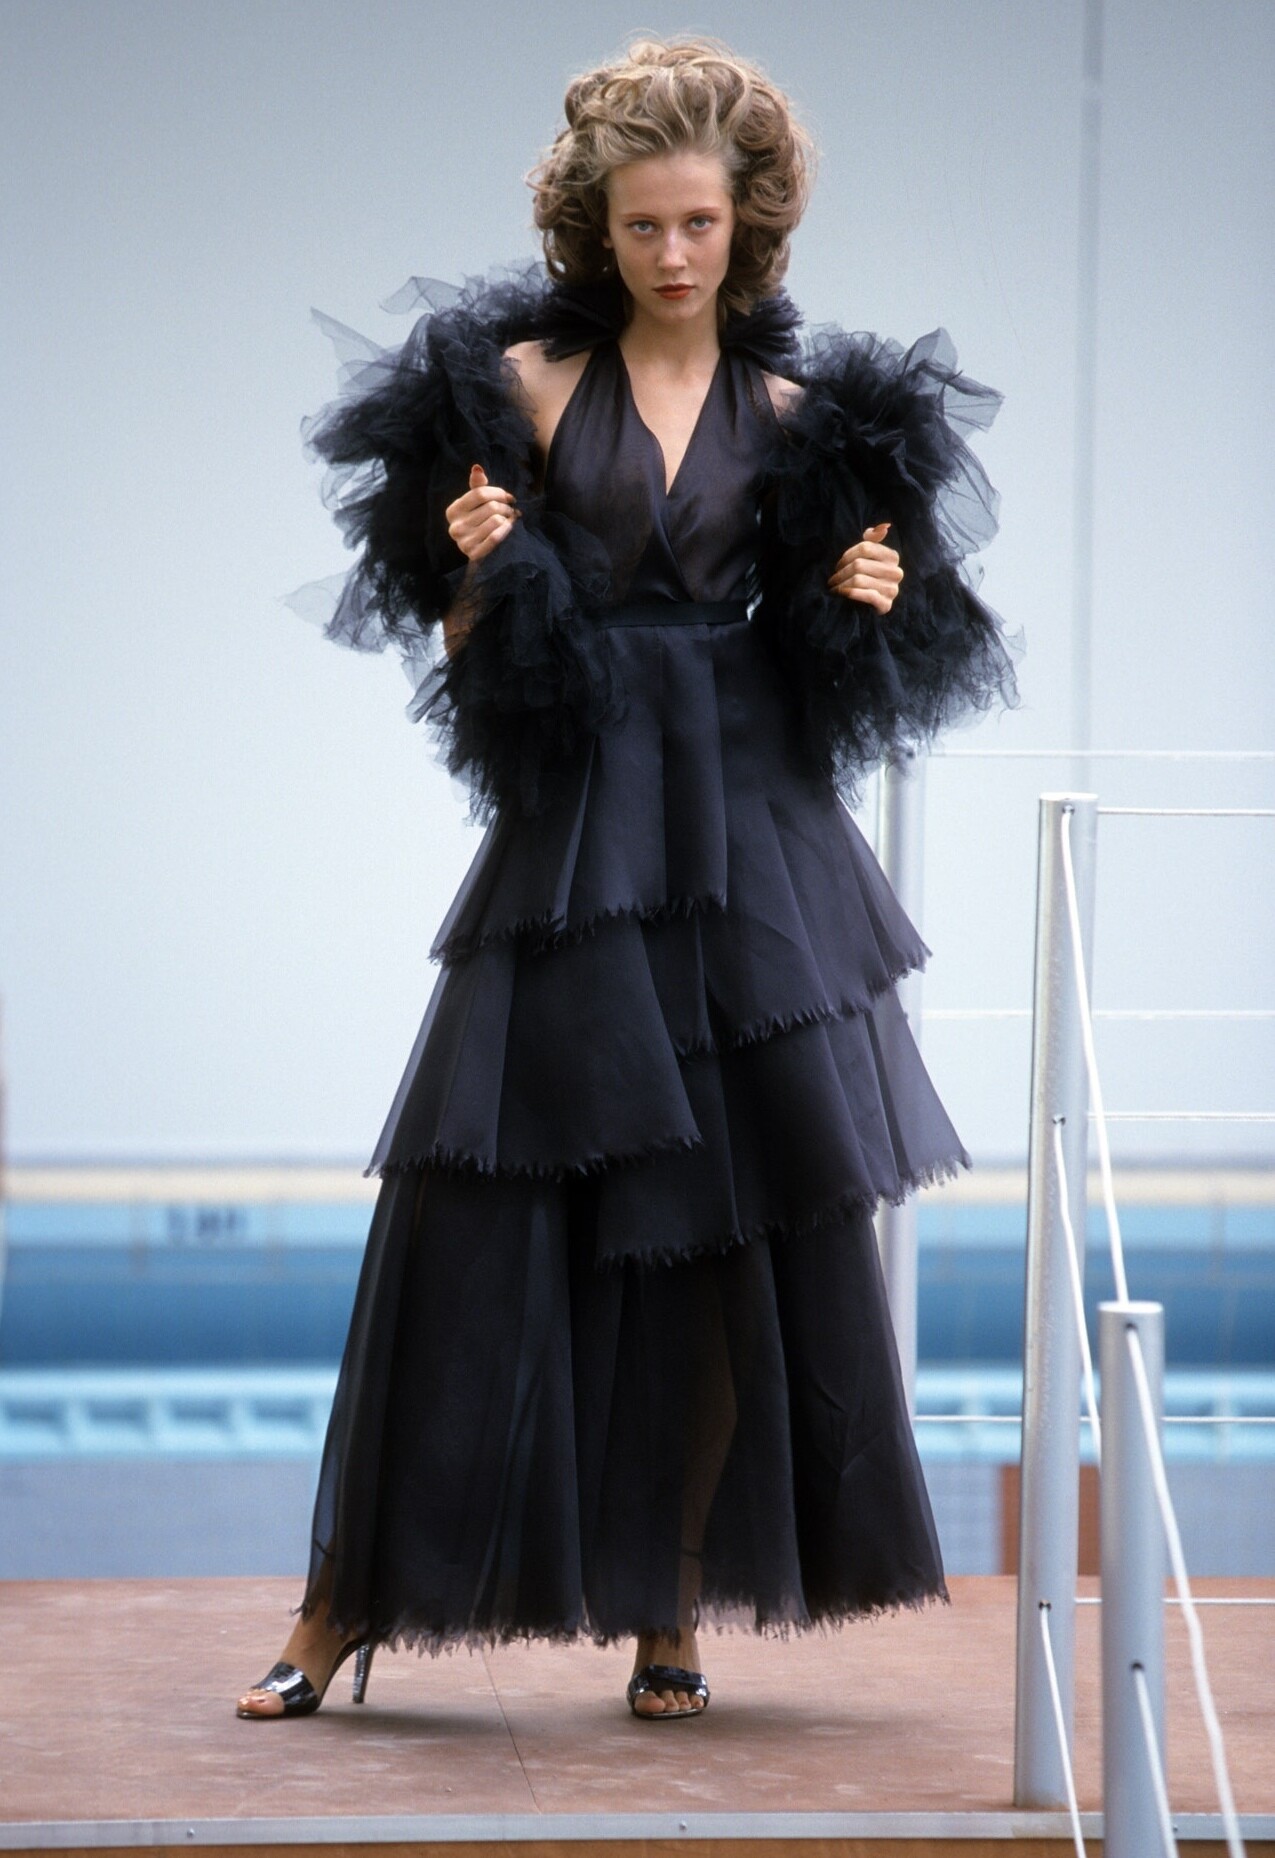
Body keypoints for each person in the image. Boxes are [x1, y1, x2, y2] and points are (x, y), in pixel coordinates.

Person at [236, 36, 1018, 1725]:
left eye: (700, 223)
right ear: (597, 226)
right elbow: (469, 661)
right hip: (584, 821)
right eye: (644, 222)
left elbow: (845, 677)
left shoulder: (801, 423)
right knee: (468, 1209)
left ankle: (668, 1607)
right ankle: (338, 1603)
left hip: (752, 831)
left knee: (730, 1224)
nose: (673, 252)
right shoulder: (519, 388)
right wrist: (481, 572)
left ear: (751, 227)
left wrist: (861, 603)